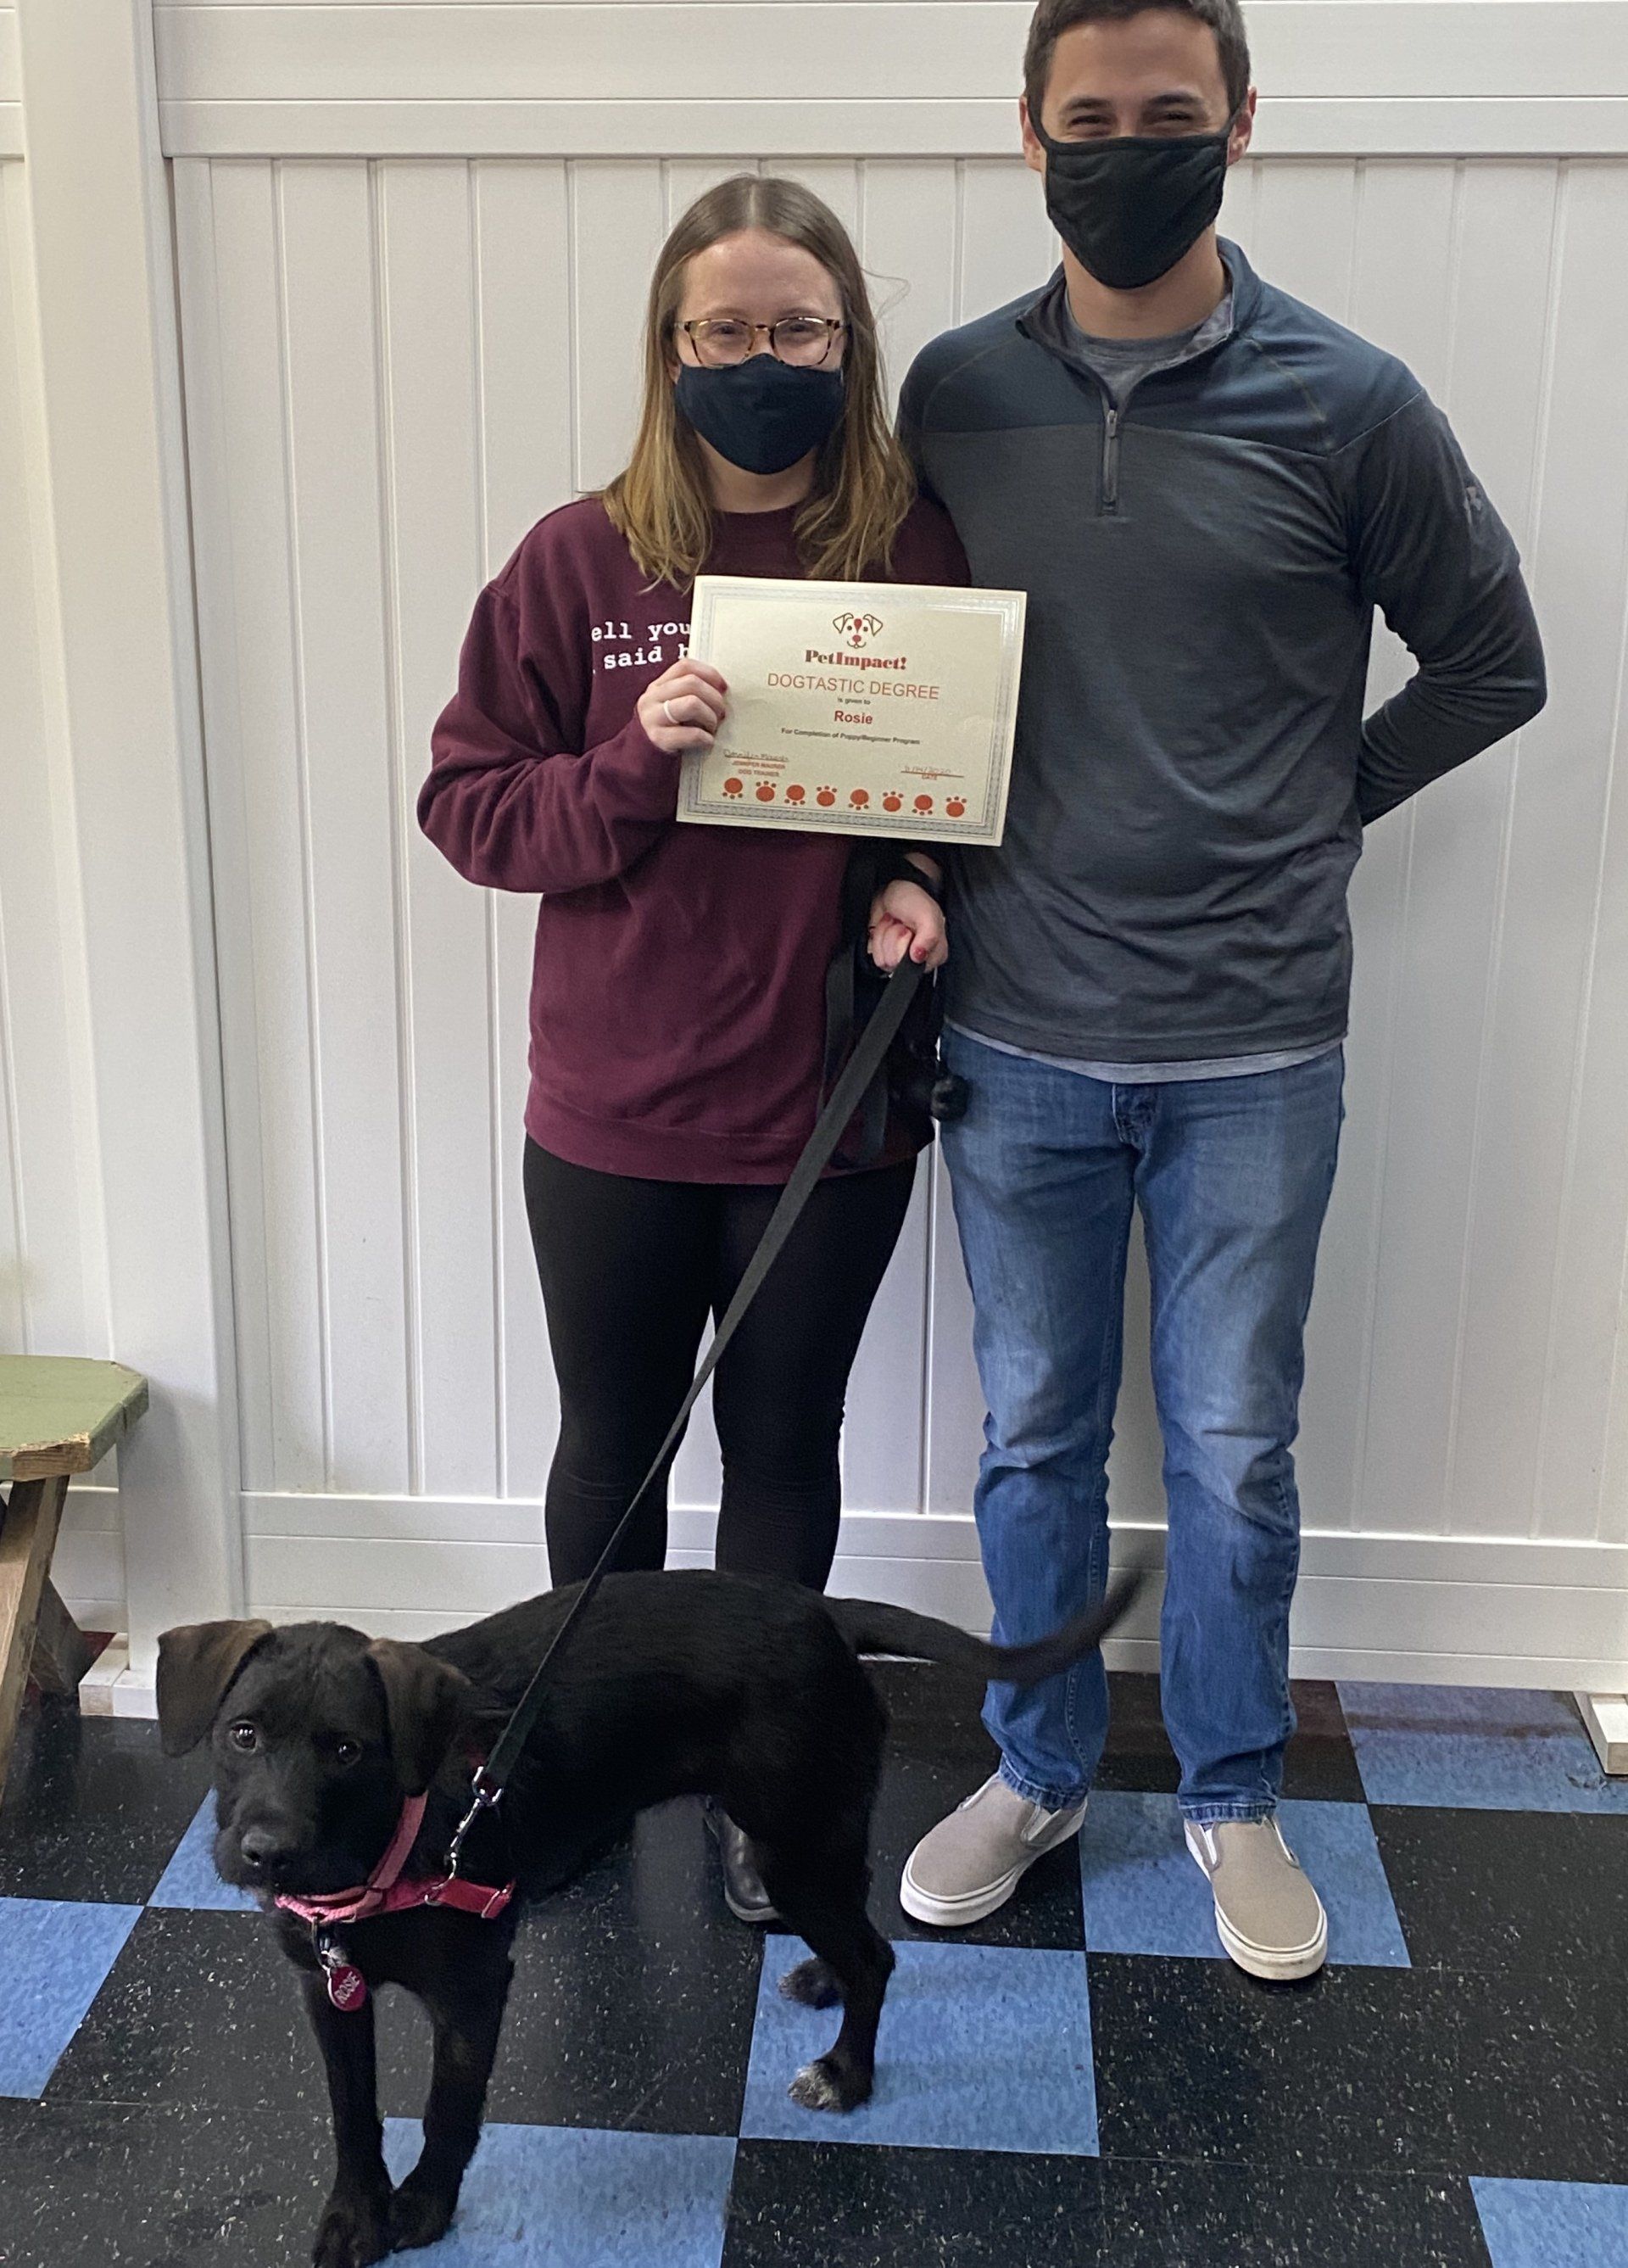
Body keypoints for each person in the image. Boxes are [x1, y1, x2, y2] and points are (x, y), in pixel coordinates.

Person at [895, 0, 1546, 1976]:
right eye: (1088, 117)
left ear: (1243, 125)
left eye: (1165, 114)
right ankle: (1037, 1762)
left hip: (1259, 1045)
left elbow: (1494, 661)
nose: (1124, 145)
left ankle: (1236, 1797)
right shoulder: (947, 393)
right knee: (1031, 1441)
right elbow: (893, 665)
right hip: (1012, 1032)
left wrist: (1312, 807)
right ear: (1027, 133)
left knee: (1235, 1445)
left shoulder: (1354, 402)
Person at [420, 175, 965, 1923]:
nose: (760, 357)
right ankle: (578, 1766)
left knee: (783, 1444)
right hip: (614, 1110)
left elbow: (940, 795)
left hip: (827, 1105)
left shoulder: (908, 545)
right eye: (723, 330)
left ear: (846, 340)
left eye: (795, 327)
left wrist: (903, 882)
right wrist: (626, 763)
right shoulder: (582, 561)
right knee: (613, 1442)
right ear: (671, 349)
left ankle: (761, 1787)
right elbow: (467, 806)